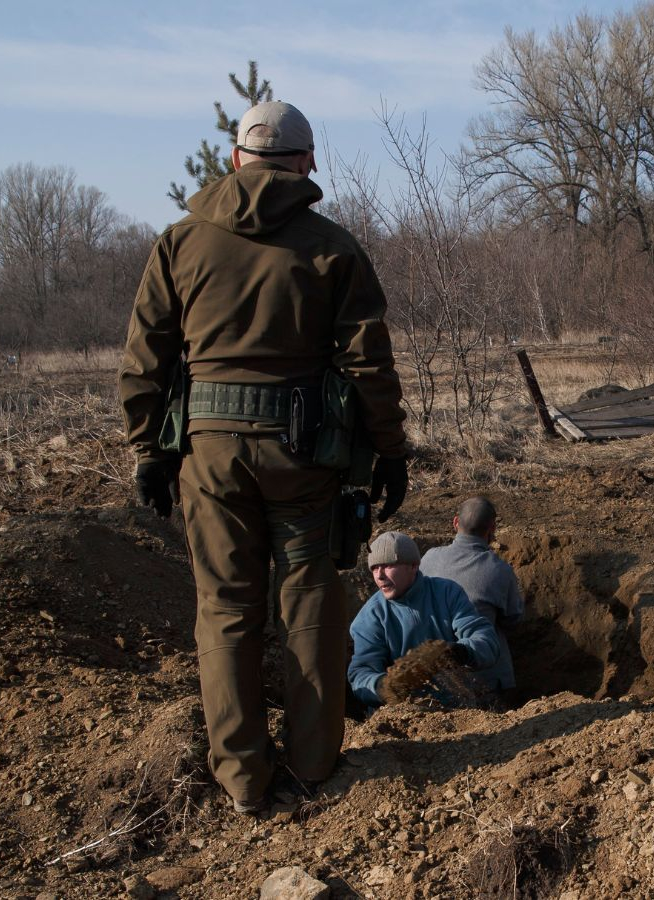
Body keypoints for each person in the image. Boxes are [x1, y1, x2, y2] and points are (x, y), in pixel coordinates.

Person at [118, 100, 411, 815]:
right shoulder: (332, 247)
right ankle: (314, 765)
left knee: (225, 609)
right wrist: (389, 452)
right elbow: (368, 365)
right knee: (309, 600)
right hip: (303, 454)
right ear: (308, 162)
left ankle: (243, 778)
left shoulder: (179, 243)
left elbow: (144, 358)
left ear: (235, 159)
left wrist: (149, 451)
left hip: (209, 458)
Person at [348, 531, 500, 713]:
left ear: (413, 566)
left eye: (388, 565)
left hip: (460, 710)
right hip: (406, 717)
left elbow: (485, 638)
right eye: (374, 568)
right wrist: (383, 687)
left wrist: (460, 652)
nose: (379, 576)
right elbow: (360, 674)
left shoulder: (447, 593)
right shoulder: (371, 616)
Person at [418, 497, 526, 693]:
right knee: (494, 632)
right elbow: (513, 620)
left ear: (455, 522)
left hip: (431, 666)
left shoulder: (429, 557)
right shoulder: (498, 569)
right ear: (492, 528)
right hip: (479, 675)